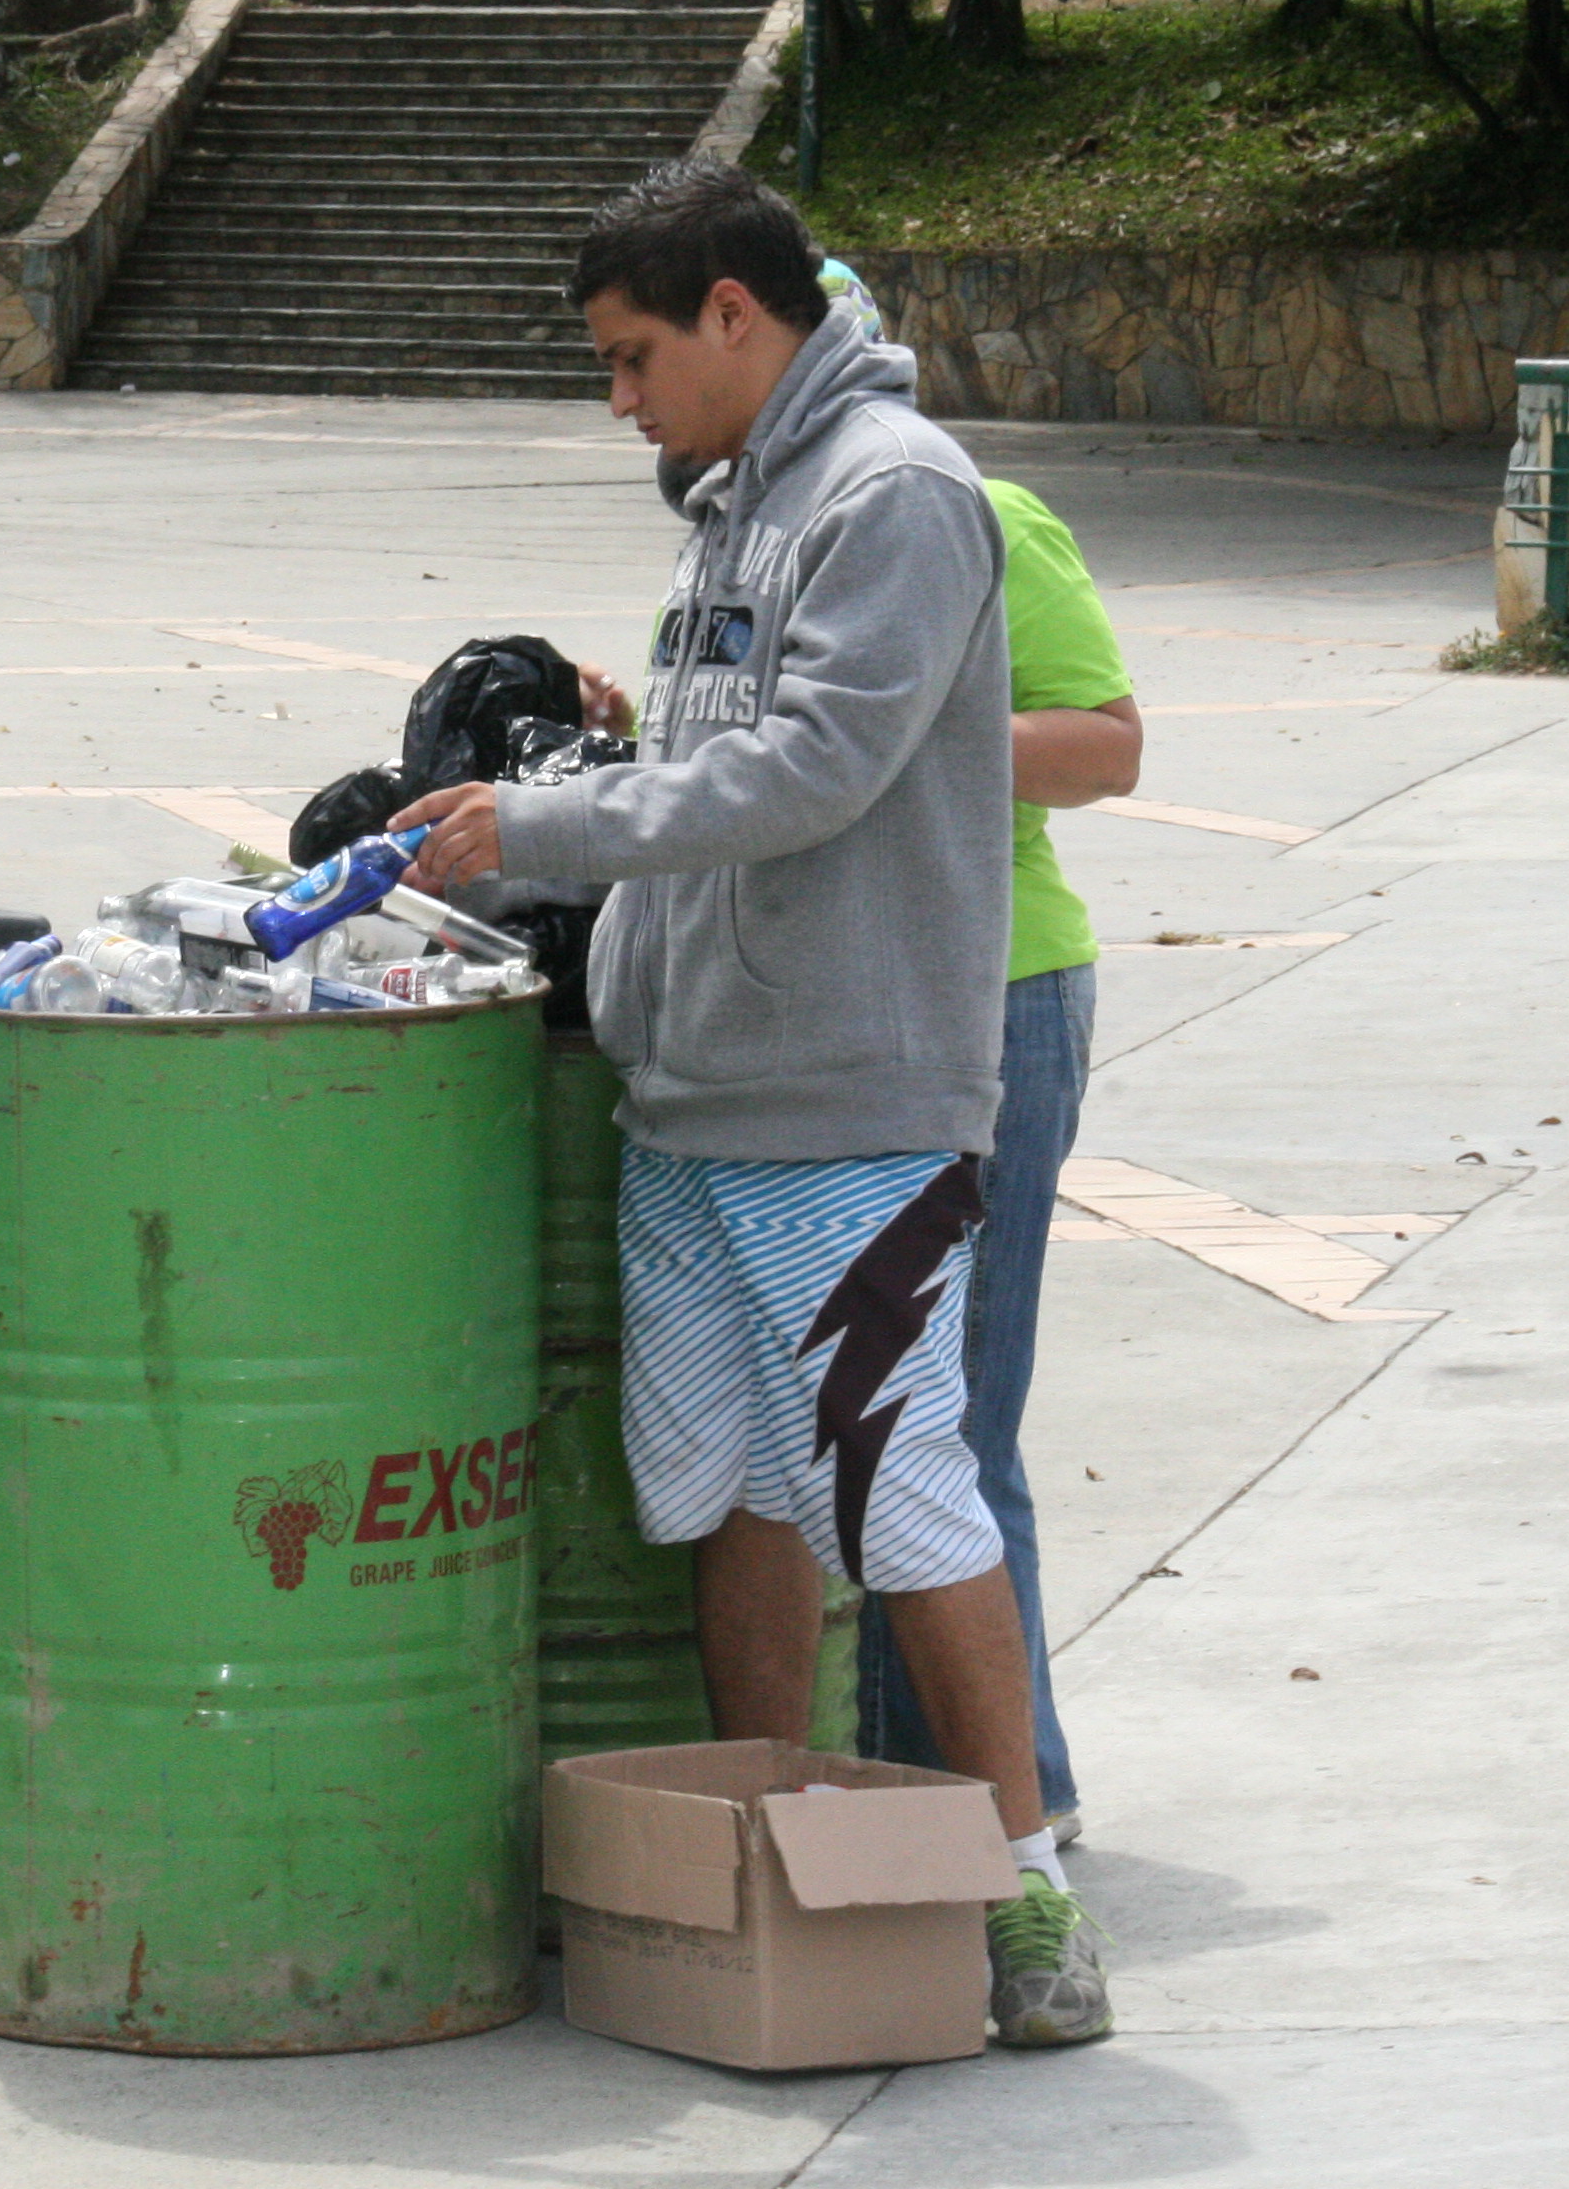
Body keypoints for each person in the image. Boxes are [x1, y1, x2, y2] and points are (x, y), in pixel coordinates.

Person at [391, 160, 1112, 2046]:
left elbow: (810, 771)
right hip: (695, 1092)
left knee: (902, 1491)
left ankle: (1033, 1907)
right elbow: (711, 760)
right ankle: (767, 1856)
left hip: (847, 1104)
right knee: (736, 1489)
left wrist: (531, 824)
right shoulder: (740, 504)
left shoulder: (896, 496)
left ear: (736, 313)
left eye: (633, 358)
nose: (619, 399)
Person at [855, 477, 1140, 1851]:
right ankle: (920, 1789)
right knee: (860, 1423)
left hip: (995, 992)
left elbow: (1106, 745)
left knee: (957, 1417)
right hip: (844, 1010)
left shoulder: (982, 517)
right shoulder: (753, 530)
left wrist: (903, 738)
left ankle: (1008, 1796)